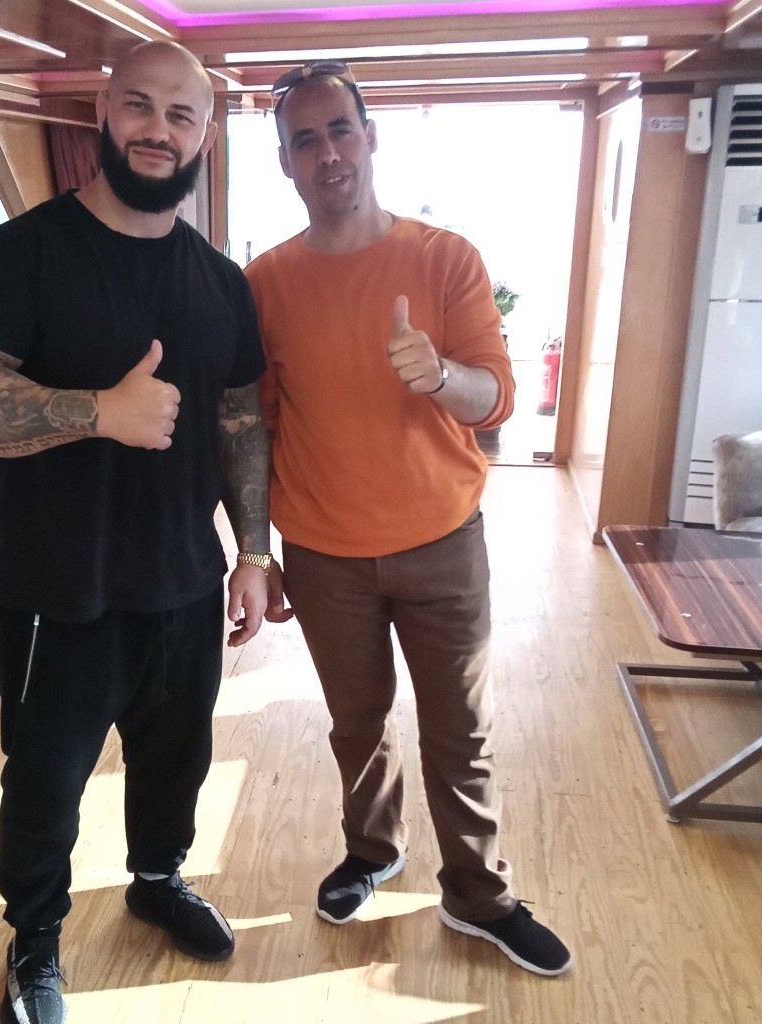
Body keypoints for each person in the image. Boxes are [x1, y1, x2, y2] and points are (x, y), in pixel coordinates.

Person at [0, 41, 273, 1024]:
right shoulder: (16, 255)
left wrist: (253, 551)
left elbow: (240, 419)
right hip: (54, 587)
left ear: (205, 134)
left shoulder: (220, 280)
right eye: (139, 106)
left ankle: (157, 879)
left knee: (177, 758)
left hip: (185, 581)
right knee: (46, 783)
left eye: (181, 114)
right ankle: (34, 942)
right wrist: (97, 412)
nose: (159, 130)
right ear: (101, 113)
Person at [246, 60, 572, 977]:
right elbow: (256, 425)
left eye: (340, 130)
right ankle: (372, 850)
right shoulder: (264, 282)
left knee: (461, 731)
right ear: (285, 162)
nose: (327, 153)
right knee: (357, 722)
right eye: (304, 139)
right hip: (323, 554)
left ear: (370, 136)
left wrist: (439, 377)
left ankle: (477, 893)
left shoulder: (444, 258)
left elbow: (496, 395)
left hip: (442, 542)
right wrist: (257, 553)